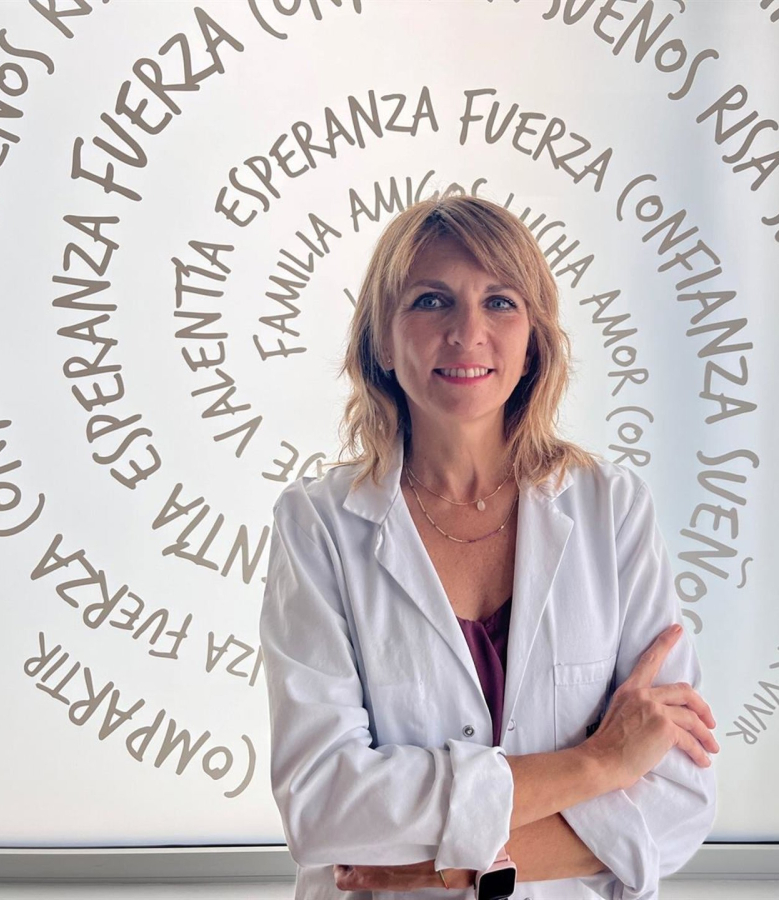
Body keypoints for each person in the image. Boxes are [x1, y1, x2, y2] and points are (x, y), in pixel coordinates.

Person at [259, 195, 718, 900]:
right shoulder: (317, 524)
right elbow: (324, 806)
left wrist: (437, 867)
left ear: (533, 339)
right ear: (382, 341)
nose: (467, 332)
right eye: (431, 301)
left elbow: (678, 802)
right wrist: (598, 764)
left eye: (500, 302)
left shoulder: (612, 510)